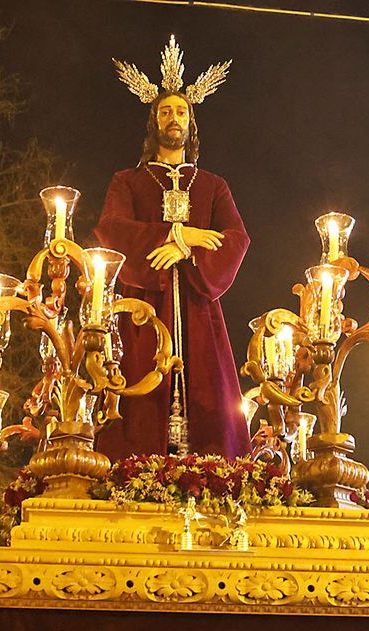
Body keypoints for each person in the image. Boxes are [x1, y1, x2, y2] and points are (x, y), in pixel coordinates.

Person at [94, 36, 249, 459]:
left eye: (181, 111)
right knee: (138, 387)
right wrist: (180, 234)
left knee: (209, 396)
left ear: (191, 123)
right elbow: (111, 229)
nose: (174, 117)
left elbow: (237, 238)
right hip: (144, 307)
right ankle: (135, 469)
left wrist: (188, 249)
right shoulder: (128, 181)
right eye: (165, 111)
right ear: (154, 122)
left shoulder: (213, 186)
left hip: (198, 307)